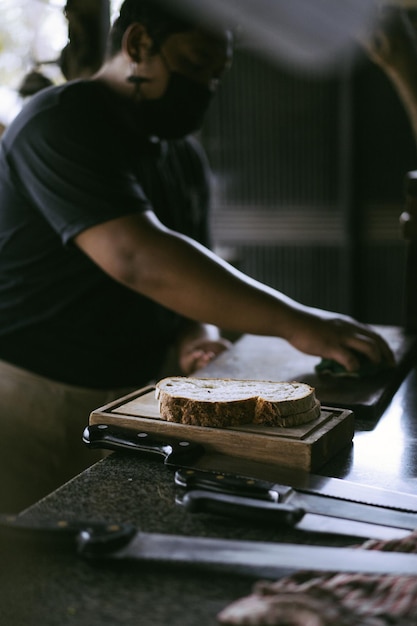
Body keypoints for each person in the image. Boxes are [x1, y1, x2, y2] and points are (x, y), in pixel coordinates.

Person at [0, 0, 394, 512]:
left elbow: (188, 276)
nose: (206, 85)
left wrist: (199, 334)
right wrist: (300, 323)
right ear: (139, 44)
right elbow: (138, 259)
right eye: (194, 64)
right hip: (33, 398)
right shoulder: (60, 123)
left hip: (133, 398)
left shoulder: (179, 152)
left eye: (216, 73)